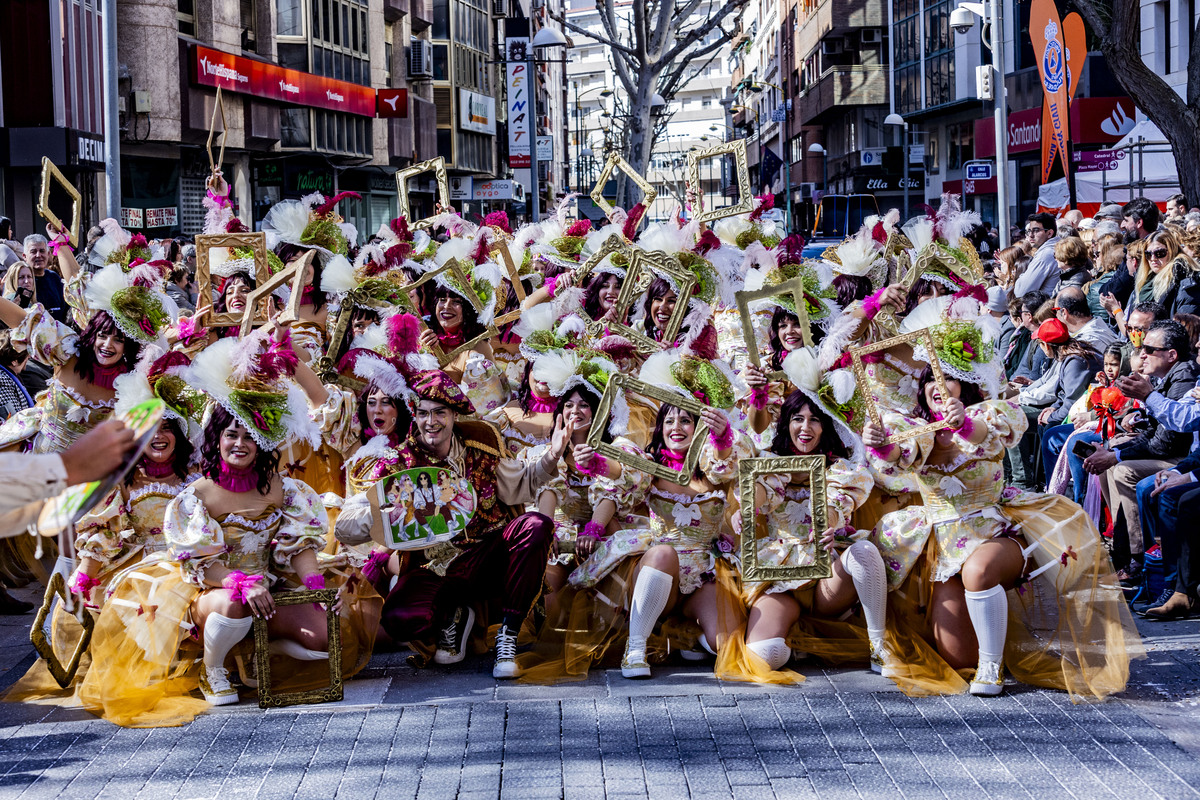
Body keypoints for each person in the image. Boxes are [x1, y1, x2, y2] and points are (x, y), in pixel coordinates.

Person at [864, 300, 1140, 700]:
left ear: (966, 385)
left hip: (995, 530)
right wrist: (880, 446)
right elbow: (900, 454)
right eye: (931, 383)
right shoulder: (915, 429)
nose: (939, 391)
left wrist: (964, 422)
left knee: (978, 570)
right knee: (958, 659)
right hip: (943, 544)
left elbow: (991, 432)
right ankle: (984, 656)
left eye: (949, 382)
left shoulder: (990, 413)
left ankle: (992, 670)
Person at [346, 369, 563, 679]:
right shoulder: (398, 463)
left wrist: (553, 455)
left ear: (454, 414)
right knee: (399, 619)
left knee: (536, 525)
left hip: (489, 554)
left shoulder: (483, 441)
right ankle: (455, 613)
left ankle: (508, 637)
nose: (430, 422)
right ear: (414, 415)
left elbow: (520, 484)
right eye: (422, 413)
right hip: (436, 566)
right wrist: (377, 513)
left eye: (439, 413)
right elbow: (349, 524)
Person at [1082, 320, 1199, 583]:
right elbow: (1155, 430)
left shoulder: (1185, 375)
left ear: (1171, 355)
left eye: (1149, 348)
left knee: (1122, 470)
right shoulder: (1167, 375)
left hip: (1181, 457)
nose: (1141, 353)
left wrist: (1116, 455)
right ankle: (1121, 547)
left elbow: (1168, 440)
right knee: (1108, 457)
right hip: (1178, 454)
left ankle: (1139, 559)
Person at [22, 234, 69, 323]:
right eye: (33, 251)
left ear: (48, 254)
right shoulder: (21, 280)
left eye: (42, 251)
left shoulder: (54, 278)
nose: (38, 255)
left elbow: (65, 308)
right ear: (24, 256)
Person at [1055, 286, 1118, 351]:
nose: (1056, 315)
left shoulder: (1088, 343)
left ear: (1064, 312)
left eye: (1055, 310)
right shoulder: (1097, 324)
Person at [1013, 213, 1061, 297]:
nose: (1031, 235)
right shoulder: (1053, 249)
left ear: (1049, 233)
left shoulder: (1045, 254)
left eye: (1036, 230)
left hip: (1043, 306)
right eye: (1029, 231)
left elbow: (1021, 292)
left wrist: (1022, 275)